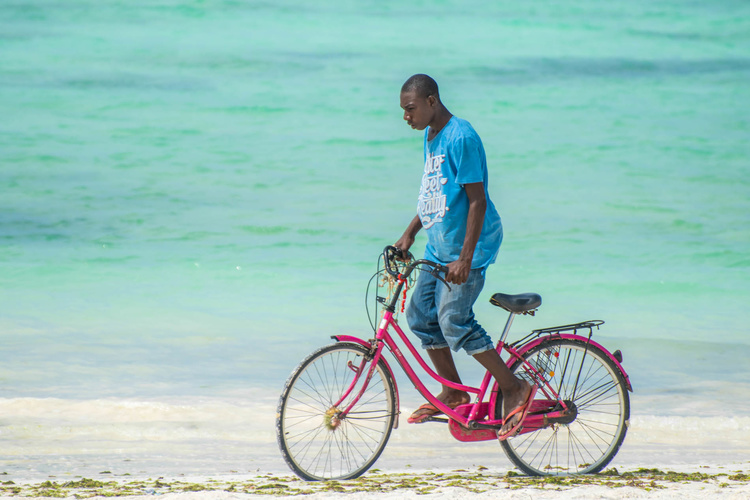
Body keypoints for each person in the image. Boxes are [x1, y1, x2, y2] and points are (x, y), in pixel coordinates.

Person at [394, 74, 535, 439]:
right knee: (420, 316)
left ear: (431, 101)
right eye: (403, 111)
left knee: (453, 319)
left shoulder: (461, 137)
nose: (406, 117)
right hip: (439, 245)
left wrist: (466, 258)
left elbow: (477, 199)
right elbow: (436, 195)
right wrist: (411, 232)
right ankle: (454, 392)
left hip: (470, 247)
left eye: (410, 109)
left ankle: (514, 387)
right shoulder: (431, 135)